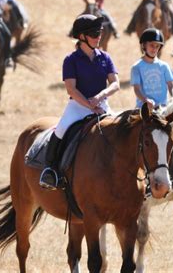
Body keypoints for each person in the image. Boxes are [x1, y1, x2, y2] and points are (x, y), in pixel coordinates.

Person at [39, 14, 120, 190]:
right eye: (94, 34)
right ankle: (50, 170)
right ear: (82, 37)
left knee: (121, 131)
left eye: (99, 33)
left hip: (102, 106)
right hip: (78, 107)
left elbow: (116, 84)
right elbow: (71, 90)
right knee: (60, 130)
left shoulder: (105, 57)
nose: (99, 37)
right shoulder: (71, 60)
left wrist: (100, 97)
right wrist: (89, 104)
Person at [130, 28, 173, 109]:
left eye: (157, 46)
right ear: (144, 45)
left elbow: (171, 85)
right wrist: (146, 100)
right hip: (143, 108)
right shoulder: (136, 67)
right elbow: (136, 89)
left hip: (163, 108)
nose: (154, 49)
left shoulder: (164, 66)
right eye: (151, 45)